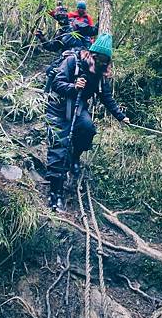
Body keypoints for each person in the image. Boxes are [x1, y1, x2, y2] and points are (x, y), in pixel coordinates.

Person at [45, 33, 130, 212]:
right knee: (59, 145)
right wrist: (73, 87)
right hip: (58, 107)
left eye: (106, 60)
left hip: (77, 108)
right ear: (92, 54)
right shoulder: (72, 62)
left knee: (87, 129)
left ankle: (75, 156)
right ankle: (55, 194)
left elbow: (106, 97)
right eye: (100, 58)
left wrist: (120, 116)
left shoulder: (100, 74)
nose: (102, 63)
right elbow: (57, 83)